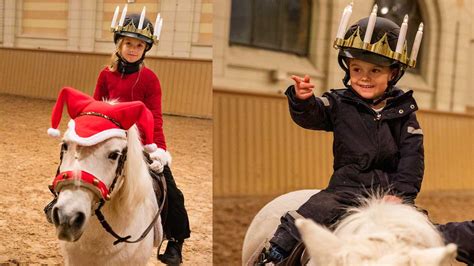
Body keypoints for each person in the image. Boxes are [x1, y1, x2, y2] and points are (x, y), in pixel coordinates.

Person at [260, 14, 474, 265]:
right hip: (344, 190)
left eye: (375, 70)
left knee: (422, 230)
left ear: (393, 74)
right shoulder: (339, 103)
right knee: (305, 216)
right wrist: (302, 101)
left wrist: (401, 195)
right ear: (348, 70)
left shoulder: (405, 114)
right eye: (357, 69)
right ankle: (274, 255)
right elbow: (312, 117)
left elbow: (412, 159)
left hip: (390, 194)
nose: (364, 77)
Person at [93, 13, 190, 264]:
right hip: (111, 136)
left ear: (145, 49)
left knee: (173, 192)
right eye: (129, 44)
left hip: (142, 141)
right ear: (119, 44)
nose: (133, 49)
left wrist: (159, 151)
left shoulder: (150, 79)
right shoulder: (105, 75)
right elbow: (96, 107)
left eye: (139, 45)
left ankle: (175, 242)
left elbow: (155, 117)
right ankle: (59, 205)